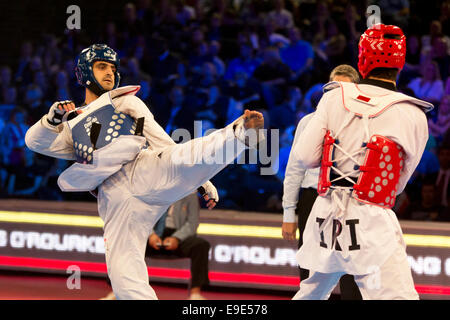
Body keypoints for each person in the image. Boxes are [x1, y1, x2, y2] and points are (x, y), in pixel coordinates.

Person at [25, 44, 264, 300]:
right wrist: (52, 120)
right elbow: (35, 142)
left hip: (141, 168)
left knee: (179, 159)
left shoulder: (126, 100)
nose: (109, 73)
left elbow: (162, 142)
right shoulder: (71, 123)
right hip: (113, 197)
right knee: (123, 275)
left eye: (113, 68)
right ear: (83, 73)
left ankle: (238, 134)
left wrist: (202, 180)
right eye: (101, 66)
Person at [288, 24, 433, 300]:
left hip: (325, 215)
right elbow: (398, 184)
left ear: (363, 59)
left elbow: (305, 157)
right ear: (400, 64)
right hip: (370, 217)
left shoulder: (333, 97)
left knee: (312, 293)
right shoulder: (413, 113)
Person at [282, 64, 362, 300]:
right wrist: (289, 214)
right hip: (312, 196)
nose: (338, 94)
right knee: (310, 265)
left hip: (350, 197)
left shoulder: (363, 122)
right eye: (334, 88)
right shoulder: (309, 121)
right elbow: (295, 169)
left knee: (351, 262)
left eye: (344, 89)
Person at [146, 193, 210, 299]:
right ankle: (120, 289)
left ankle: (195, 293)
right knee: (129, 244)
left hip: (179, 234)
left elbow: (192, 223)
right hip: (154, 233)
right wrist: (150, 234)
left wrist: (176, 238)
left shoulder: (191, 193)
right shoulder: (154, 189)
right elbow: (143, 217)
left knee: (201, 245)